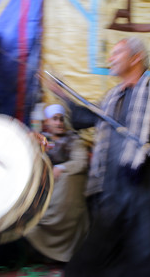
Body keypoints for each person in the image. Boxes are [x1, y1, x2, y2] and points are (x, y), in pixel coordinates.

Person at [49, 37, 150, 276]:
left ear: (135, 57)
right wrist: (62, 95)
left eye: (117, 52)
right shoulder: (110, 100)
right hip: (109, 193)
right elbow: (82, 118)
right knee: (94, 261)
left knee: (149, 261)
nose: (110, 58)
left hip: (145, 193)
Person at [25, 104, 89, 263]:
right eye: (55, 119)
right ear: (47, 122)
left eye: (61, 119)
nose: (59, 123)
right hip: (43, 191)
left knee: (69, 180)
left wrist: (61, 168)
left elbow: (81, 162)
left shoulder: (73, 140)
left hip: (65, 196)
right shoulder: (40, 139)